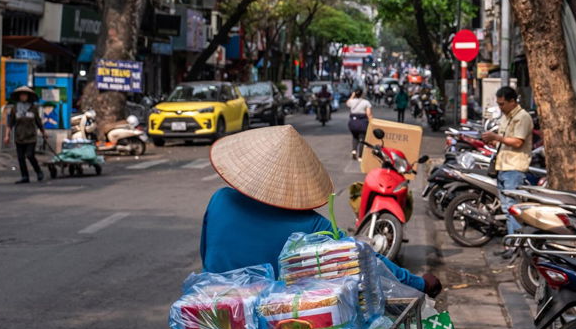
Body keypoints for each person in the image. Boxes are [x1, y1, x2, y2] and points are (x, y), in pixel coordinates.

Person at [199, 125, 441, 295]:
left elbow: (207, 256)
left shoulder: (220, 199)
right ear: (299, 181)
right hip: (274, 326)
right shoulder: (313, 225)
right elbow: (368, 260)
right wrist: (419, 283)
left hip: (212, 314)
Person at [481, 86, 533, 236]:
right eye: (499, 104)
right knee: (506, 208)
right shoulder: (507, 117)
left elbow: (518, 142)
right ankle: (511, 243)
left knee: (513, 208)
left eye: (502, 104)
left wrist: (496, 137)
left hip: (514, 168)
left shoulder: (522, 117)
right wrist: (493, 142)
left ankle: (515, 245)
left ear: (512, 101)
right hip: (503, 166)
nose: (500, 107)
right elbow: (505, 141)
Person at [3, 86, 47, 184]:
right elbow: (10, 123)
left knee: (30, 155)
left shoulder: (33, 108)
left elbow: (38, 122)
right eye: (21, 95)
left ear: (28, 96)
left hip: (31, 136)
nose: (23, 97)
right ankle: (24, 176)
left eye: (25, 95)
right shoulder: (15, 109)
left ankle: (39, 172)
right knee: (20, 157)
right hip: (19, 136)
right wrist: (7, 135)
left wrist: (44, 132)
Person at [346, 87, 372, 158]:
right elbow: (369, 114)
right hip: (362, 123)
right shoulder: (366, 102)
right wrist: (371, 122)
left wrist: (352, 95)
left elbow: (347, 103)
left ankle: (354, 150)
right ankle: (360, 156)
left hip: (353, 123)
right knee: (362, 139)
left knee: (355, 137)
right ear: (362, 94)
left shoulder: (352, 101)